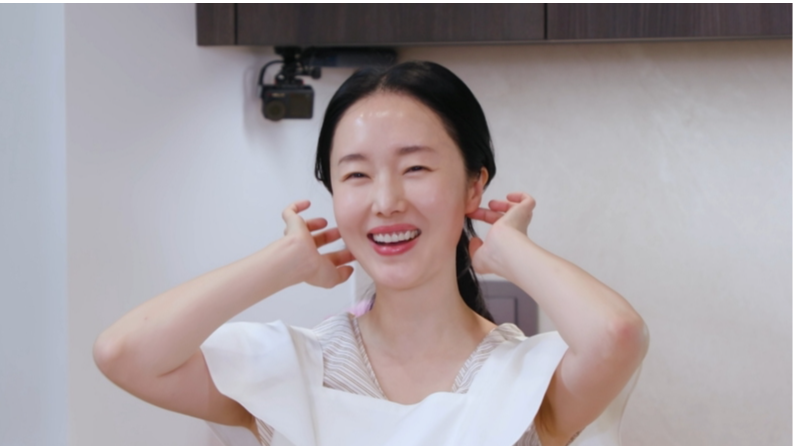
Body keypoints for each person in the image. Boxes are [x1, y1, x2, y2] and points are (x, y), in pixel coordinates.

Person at [93, 61, 649, 446]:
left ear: (474, 185)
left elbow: (617, 335)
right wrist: (281, 263)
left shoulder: (525, 379)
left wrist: (511, 251)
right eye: (356, 175)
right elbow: (124, 353)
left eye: (416, 167)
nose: (386, 202)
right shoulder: (294, 369)